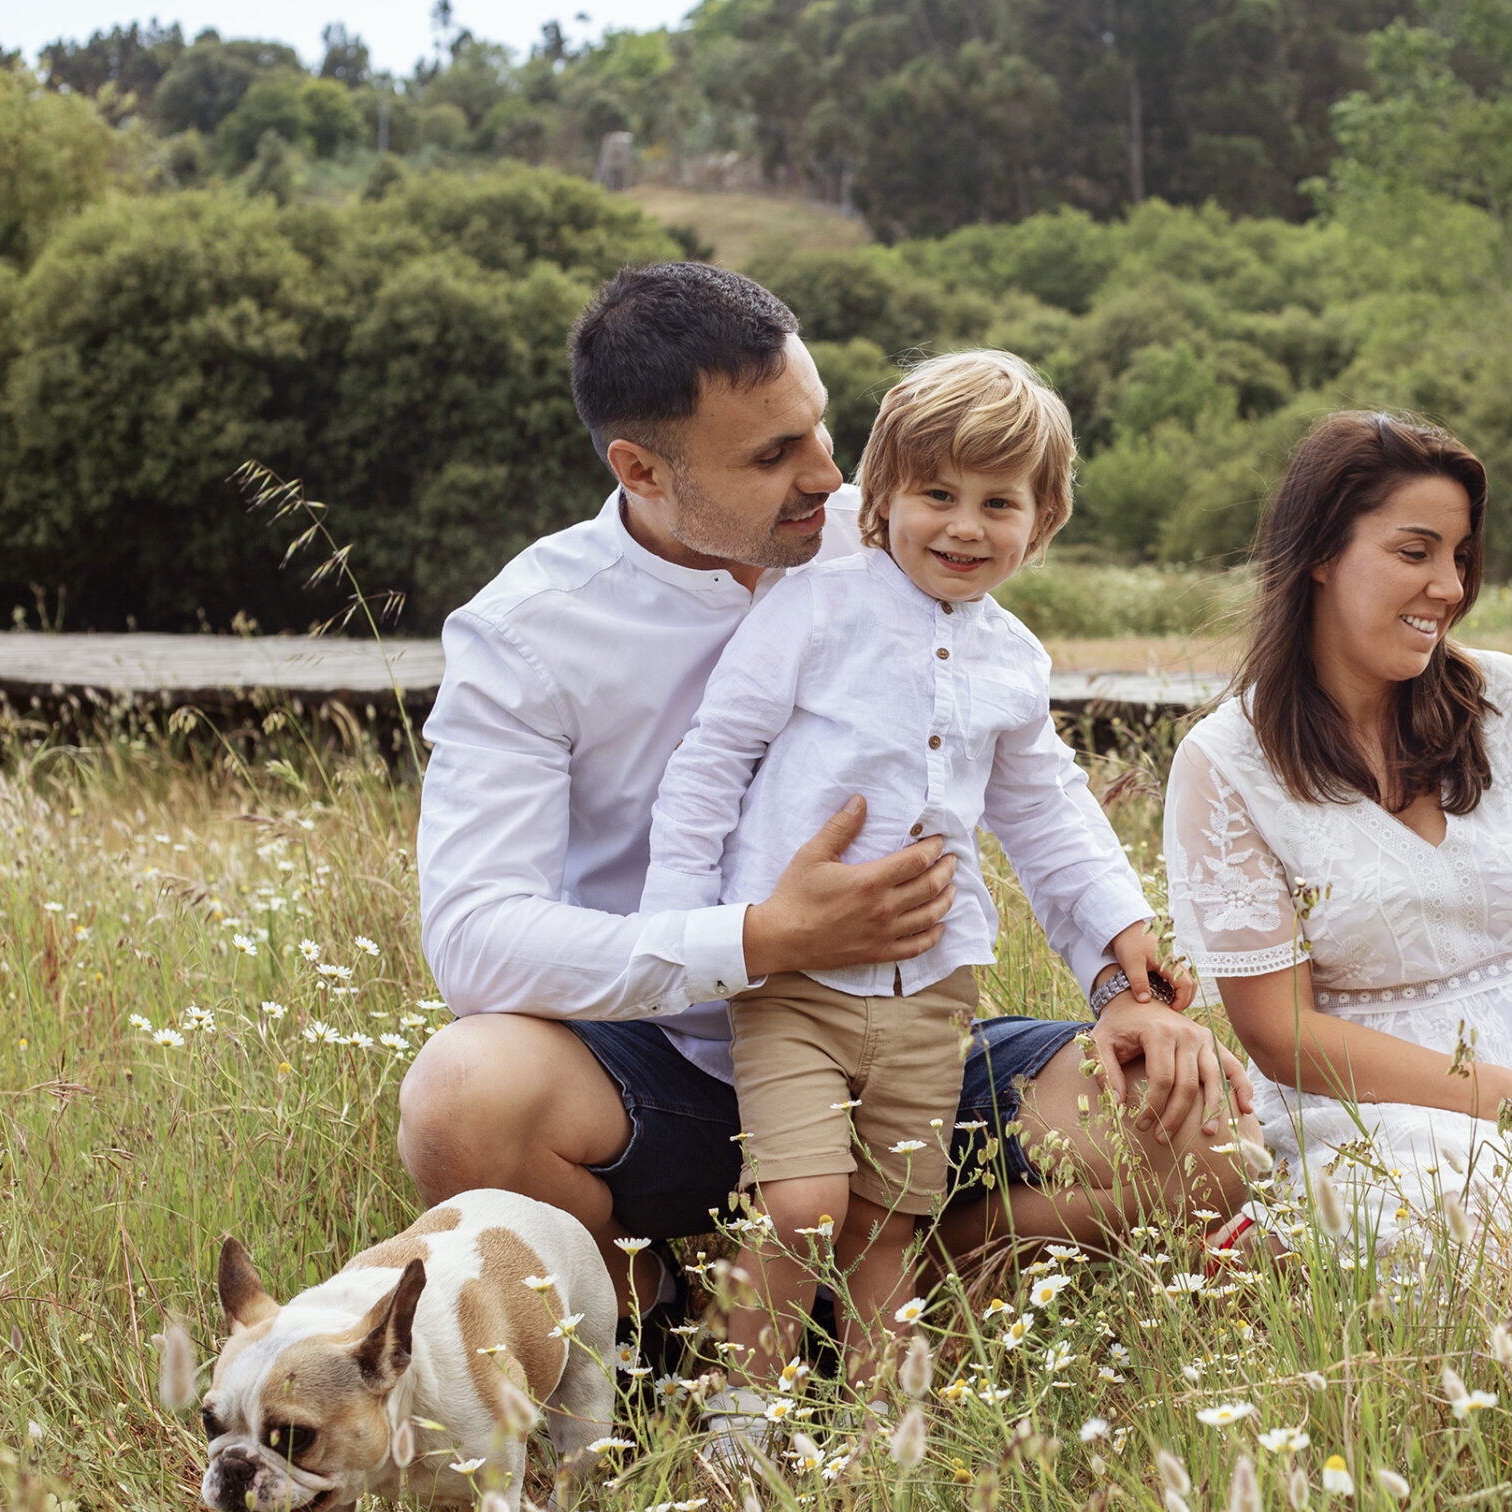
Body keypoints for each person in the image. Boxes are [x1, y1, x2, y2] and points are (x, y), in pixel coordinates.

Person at [398, 264, 1254, 1381]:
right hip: (662, 1067)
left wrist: (1118, 980)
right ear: (642, 468)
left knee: (1208, 1134)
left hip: (904, 1031)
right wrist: (761, 939)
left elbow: (1029, 781)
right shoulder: (526, 634)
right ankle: (644, 1327)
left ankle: (904, 1261)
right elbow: (473, 940)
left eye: (820, 430)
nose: (826, 476)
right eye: (770, 456)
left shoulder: (905, 533)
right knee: (463, 1096)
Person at [640, 349, 1187, 1411]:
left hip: (934, 994)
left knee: (888, 1222)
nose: (964, 527)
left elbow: (1047, 812)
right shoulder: (813, 607)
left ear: (1046, 517)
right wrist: (685, 935)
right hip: (796, 984)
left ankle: (882, 1450)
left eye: (999, 502)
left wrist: (1119, 929)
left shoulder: (1011, 659)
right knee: (799, 1204)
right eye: (935, 493)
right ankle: (737, 1428)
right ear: (879, 494)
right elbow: (709, 764)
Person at [1162, 410, 1512, 1298]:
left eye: (1459, 555)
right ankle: (1270, 1255)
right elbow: (1281, 1033)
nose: (1449, 586)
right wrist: (1509, 1104)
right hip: (1379, 1120)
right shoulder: (1227, 763)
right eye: (1416, 552)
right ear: (1321, 553)